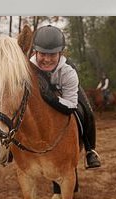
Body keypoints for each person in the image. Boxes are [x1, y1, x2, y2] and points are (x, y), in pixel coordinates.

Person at [30, 25, 101, 170]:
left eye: (53, 54)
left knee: (86, 111)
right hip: (44, 96)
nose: (47, 59)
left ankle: (90, 150)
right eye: (43, 54)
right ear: (35, 52)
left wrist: (50, 97)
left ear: (61, 54)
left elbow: (70, 105)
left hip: (65, 93)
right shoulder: (29, 68)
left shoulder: (68, 72)